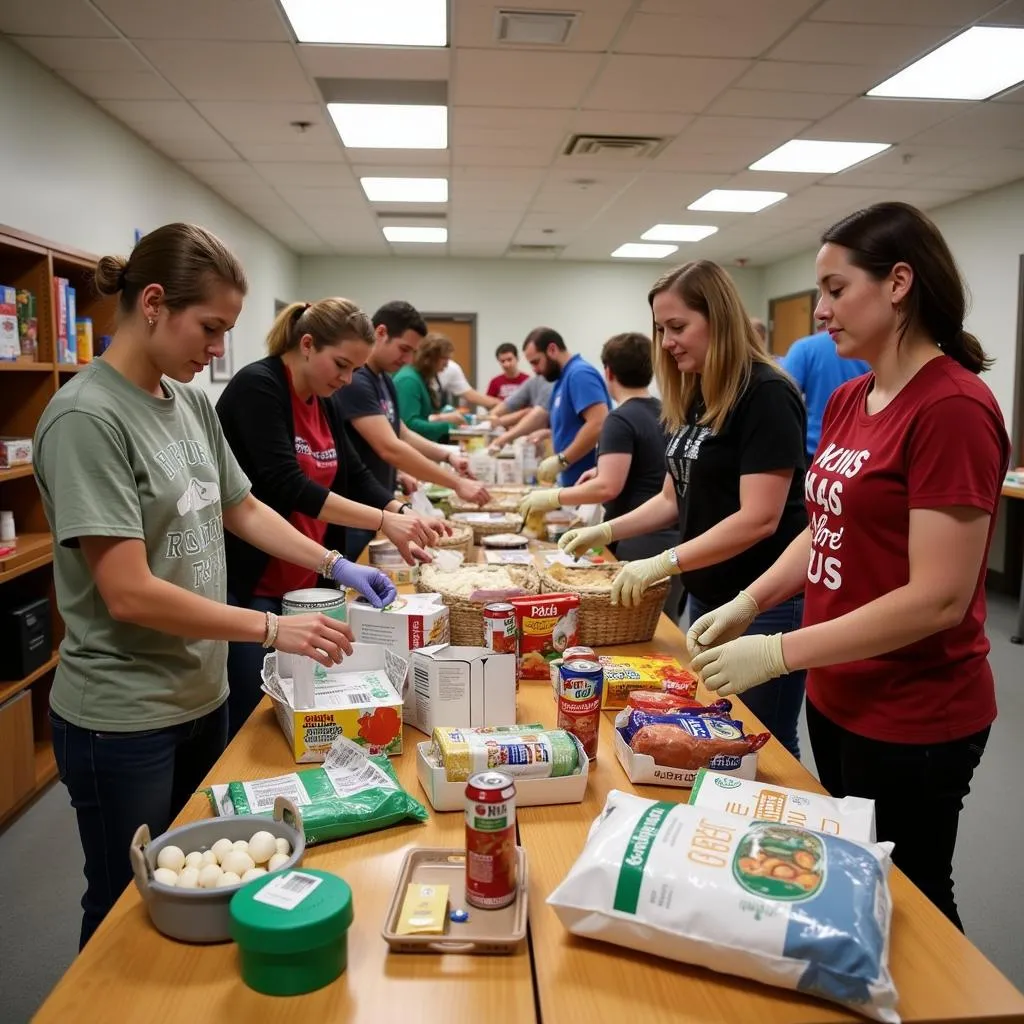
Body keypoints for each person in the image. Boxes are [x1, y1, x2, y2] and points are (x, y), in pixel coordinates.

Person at [33, 224, 366, 948]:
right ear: (153, 303)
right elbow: (128, 593)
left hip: (199, 691)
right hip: (123, 714)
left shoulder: (185, 404)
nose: (218, 351)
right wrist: (274, 628)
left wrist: (333, 564)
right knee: (128, 903)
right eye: (210, 328)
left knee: (203, 880)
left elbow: (240, 506)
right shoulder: (88, 417)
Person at [688, 202, 1009, 931]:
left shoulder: (953, 407)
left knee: (917, 898)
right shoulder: (847, 398)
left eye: (836, 290)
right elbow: (824, 526)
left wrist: (777, 650)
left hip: (915, 709)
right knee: (860, 877)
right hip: (839, 693)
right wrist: (751, 600)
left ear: (899, 283)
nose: (821, 311)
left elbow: (938, 599)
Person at [559, 261, 808, 758]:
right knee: (713, 735)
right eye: (660, 329)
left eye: (678, 327)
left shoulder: (765, 394)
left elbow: (760, 517)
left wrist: (665, 561)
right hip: (707, 590)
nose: (667, 342)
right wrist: (606, 531)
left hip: (763, 600)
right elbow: (672, 500)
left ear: (719, 319)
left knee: (764, 744)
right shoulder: (695, 392)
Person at [217, 298, 444, 738]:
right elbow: (288, 485)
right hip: (256, 584)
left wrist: (396, 510)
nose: (345, 380)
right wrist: (382, 520)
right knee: (254, 716)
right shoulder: (260, 387)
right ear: (306, 344)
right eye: (340, 365)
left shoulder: (324, 398)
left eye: (353, 370)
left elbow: (351, 472)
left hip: (310, 577)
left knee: (309, 706)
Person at [520, 332, 682, 620]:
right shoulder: (666, 411)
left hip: (636, 538)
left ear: (607, 372)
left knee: (633, 634)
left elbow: (608, 486)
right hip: (671, 541)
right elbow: (654, 464)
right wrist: (598, 469)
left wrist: (552, 495)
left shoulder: (619, 419)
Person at [332, 300, 490, 559]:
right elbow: (389, 448)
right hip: (355, 510)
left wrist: (446, 456)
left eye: (412, 352)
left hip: (380, 503)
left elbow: (402, 432)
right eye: (403, 349)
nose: (406, 359)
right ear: (380, 333)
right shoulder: (358, 381)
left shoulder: (384, 379)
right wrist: (457, 483)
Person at [492, 327, 610, 485]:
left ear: (552, 349)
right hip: (570, 479)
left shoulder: (579, 374)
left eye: (536, 362)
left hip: (586, 480)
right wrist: (549, 433)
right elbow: (573, 424)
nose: (534, 370)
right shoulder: (561, 380)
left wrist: (562, 460)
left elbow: (598, 423)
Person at [782, 329, 870, 461]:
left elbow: (783, 401)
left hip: (814, 449)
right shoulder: (869, 351)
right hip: (858, 452)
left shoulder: (804, 349)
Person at [393, 332, 462, 441]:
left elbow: (423, 416)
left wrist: (442, 417)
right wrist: (448, 425)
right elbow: (410, 424)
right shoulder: (409, 380)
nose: (447, 364)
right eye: (444, 358)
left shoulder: (420, 377)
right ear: (429, 358)